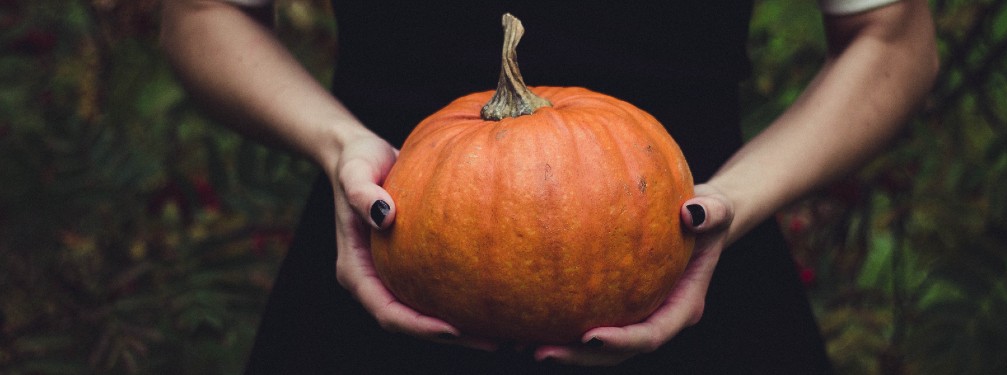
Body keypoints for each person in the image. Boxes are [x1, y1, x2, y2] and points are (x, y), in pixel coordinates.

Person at [161, 0, 938, 373]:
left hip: (691, 259)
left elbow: (892, 35)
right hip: (388, 244)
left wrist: (732, 200)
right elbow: (203, 13)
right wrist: (338, 146)